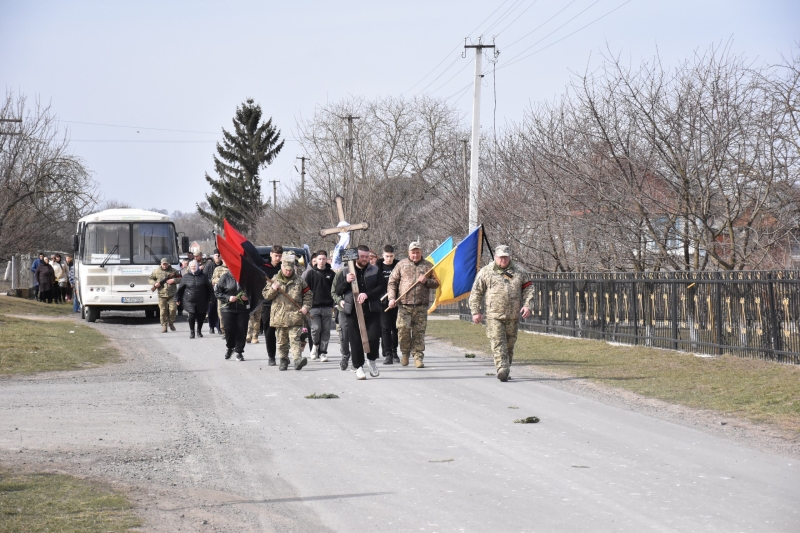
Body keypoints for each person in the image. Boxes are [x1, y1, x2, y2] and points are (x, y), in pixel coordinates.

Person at [468, 245, 535, 382]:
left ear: (509, 257)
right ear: (495, 257)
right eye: (500, 257)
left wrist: (528, 306)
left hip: (513, 315)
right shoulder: (486, 271)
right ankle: (502, 369)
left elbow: (529, 290)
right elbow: (476, 292)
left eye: (505, 257)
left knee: (509, 344)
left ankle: (506, 368)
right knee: (499, 343)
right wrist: (475, 311)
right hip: (494, 316)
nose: (503, 260)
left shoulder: (519, 272)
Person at [334, 245, 383, 380]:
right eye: (362, 256)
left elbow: (381, 287)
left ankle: (371, 360)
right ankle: (358, 366)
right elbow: (337, 290)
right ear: (356, 256)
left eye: (367, 257)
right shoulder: (345, 271)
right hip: (352, 310)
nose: (365, 259)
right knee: (355, 340)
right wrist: (346, 282)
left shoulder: (375, 270)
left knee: (373, 337)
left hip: (371, 309)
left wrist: (367, 294)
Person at [387, 242, 440, 368]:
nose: (415, 255)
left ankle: (418, 357)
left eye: (417, 252)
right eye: (413, 252)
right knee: (403, 330)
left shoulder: (428, 266)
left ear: (421, 252)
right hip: (404, 305)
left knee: (419, 333)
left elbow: (437, 283)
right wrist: (391, 298)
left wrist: (426, 281)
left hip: (421, 306)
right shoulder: (401, 265)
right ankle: (405, 354)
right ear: (409, 253)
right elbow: (392, 283)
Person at [264, 254, 312, 371]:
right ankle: (284, 360)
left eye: (290, 270)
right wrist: (273, 289)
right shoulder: (274, 280)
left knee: (295, 339)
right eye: (286, 270)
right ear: (282, 267)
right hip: (279, 316)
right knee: (281, 341)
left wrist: (306, 307)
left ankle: (297, 360)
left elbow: (308, 295)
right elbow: (266, 296)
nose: (288, 272)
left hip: (295, 315)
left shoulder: (299, 281)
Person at [302, 250, 334, 362]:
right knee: (315, 328)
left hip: (327, 306)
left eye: (324, 259)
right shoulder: (311, 273)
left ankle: (323, 352)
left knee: (326, 331)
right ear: (316, 260)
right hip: (313, 307)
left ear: (327, 260)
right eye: (319, 259)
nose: (321, 261)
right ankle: (315, 345)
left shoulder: (331, 273)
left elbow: (334, 290)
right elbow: (305, 290)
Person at [214, 268, 250, 361]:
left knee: (241, 329)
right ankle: (230, 347)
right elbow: (217, 292)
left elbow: (254, 291)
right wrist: (228, 297)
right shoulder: (225, 277)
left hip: (242, 309)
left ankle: (239, 351)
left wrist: (248, 297)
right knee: (229, 329)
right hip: (228, 308)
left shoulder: (246, 277)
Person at [176, 260, 214, 339]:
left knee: (201, 316)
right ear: (189, 267)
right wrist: (177, 299)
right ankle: (192, 331)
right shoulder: (185, 277)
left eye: (195, 266)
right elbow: (180, 289)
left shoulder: (203, 276)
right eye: (192, 266)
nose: (193, 268)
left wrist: (211, 298)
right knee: (191, 316)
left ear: (197, 267)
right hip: (189, 300)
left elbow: (209, 289)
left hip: (202, 300)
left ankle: (199, 331)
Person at [376, 245, 399, 364]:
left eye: (391, 256)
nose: (389, 258)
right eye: (387, 256)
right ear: (383, 255)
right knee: (385, 328)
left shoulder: (398, 265)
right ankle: (388, 353)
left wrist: (394, 297)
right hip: (383, 302)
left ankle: (395, 352)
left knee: (395, 328)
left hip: (396, 301)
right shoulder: (377, 267)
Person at [260, 245, 283, 366]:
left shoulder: (283, 268)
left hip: (281, 304)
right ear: (271, 255)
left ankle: (284, 355)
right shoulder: (263, 268)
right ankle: (271, 356)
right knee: (269, 331)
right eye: (276, 255)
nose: (277, 258)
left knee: (283, 330)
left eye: (279, 256)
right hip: (268, 303)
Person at [148, 257, 181, 333]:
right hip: (162, 294)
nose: (165, 266)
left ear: (168, 264)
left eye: (166, 264)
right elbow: (150, 278)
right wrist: (155, 283)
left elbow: (181, 279)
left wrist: (174, 280)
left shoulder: (174, 271)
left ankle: (171, 322)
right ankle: (164, 326)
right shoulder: (156, 271)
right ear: (161, 264)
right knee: (163, 311)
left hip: (172, 293)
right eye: (163, 264)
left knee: (173, 309)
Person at [331, 266, 351, 371]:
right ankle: (345, 354)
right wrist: (339, 301)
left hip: (360, 309)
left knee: (358, 336)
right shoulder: (341, 274)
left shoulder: (364, 271)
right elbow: (334, 291)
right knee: (343, 335)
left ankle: (357, 361)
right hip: (344, 309)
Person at [204, 250, 222, 334]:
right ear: (213, 256)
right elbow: (204, 276)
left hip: (221, 291)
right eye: (216, 255)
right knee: (211, 310)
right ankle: (211, 326)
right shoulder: (209, 265)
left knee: (220, 310)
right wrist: (210, 282)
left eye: (219, 255)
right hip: (211, 291)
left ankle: (219, 327)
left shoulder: (223, 265)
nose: (217, 257)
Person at [211, 258, 230, 335]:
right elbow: (214, 280)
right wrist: (224, 280)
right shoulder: (218, 269)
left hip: (232, 294)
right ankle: (224, 331)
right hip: (222, 295)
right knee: (221, 314)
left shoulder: (233, 268)